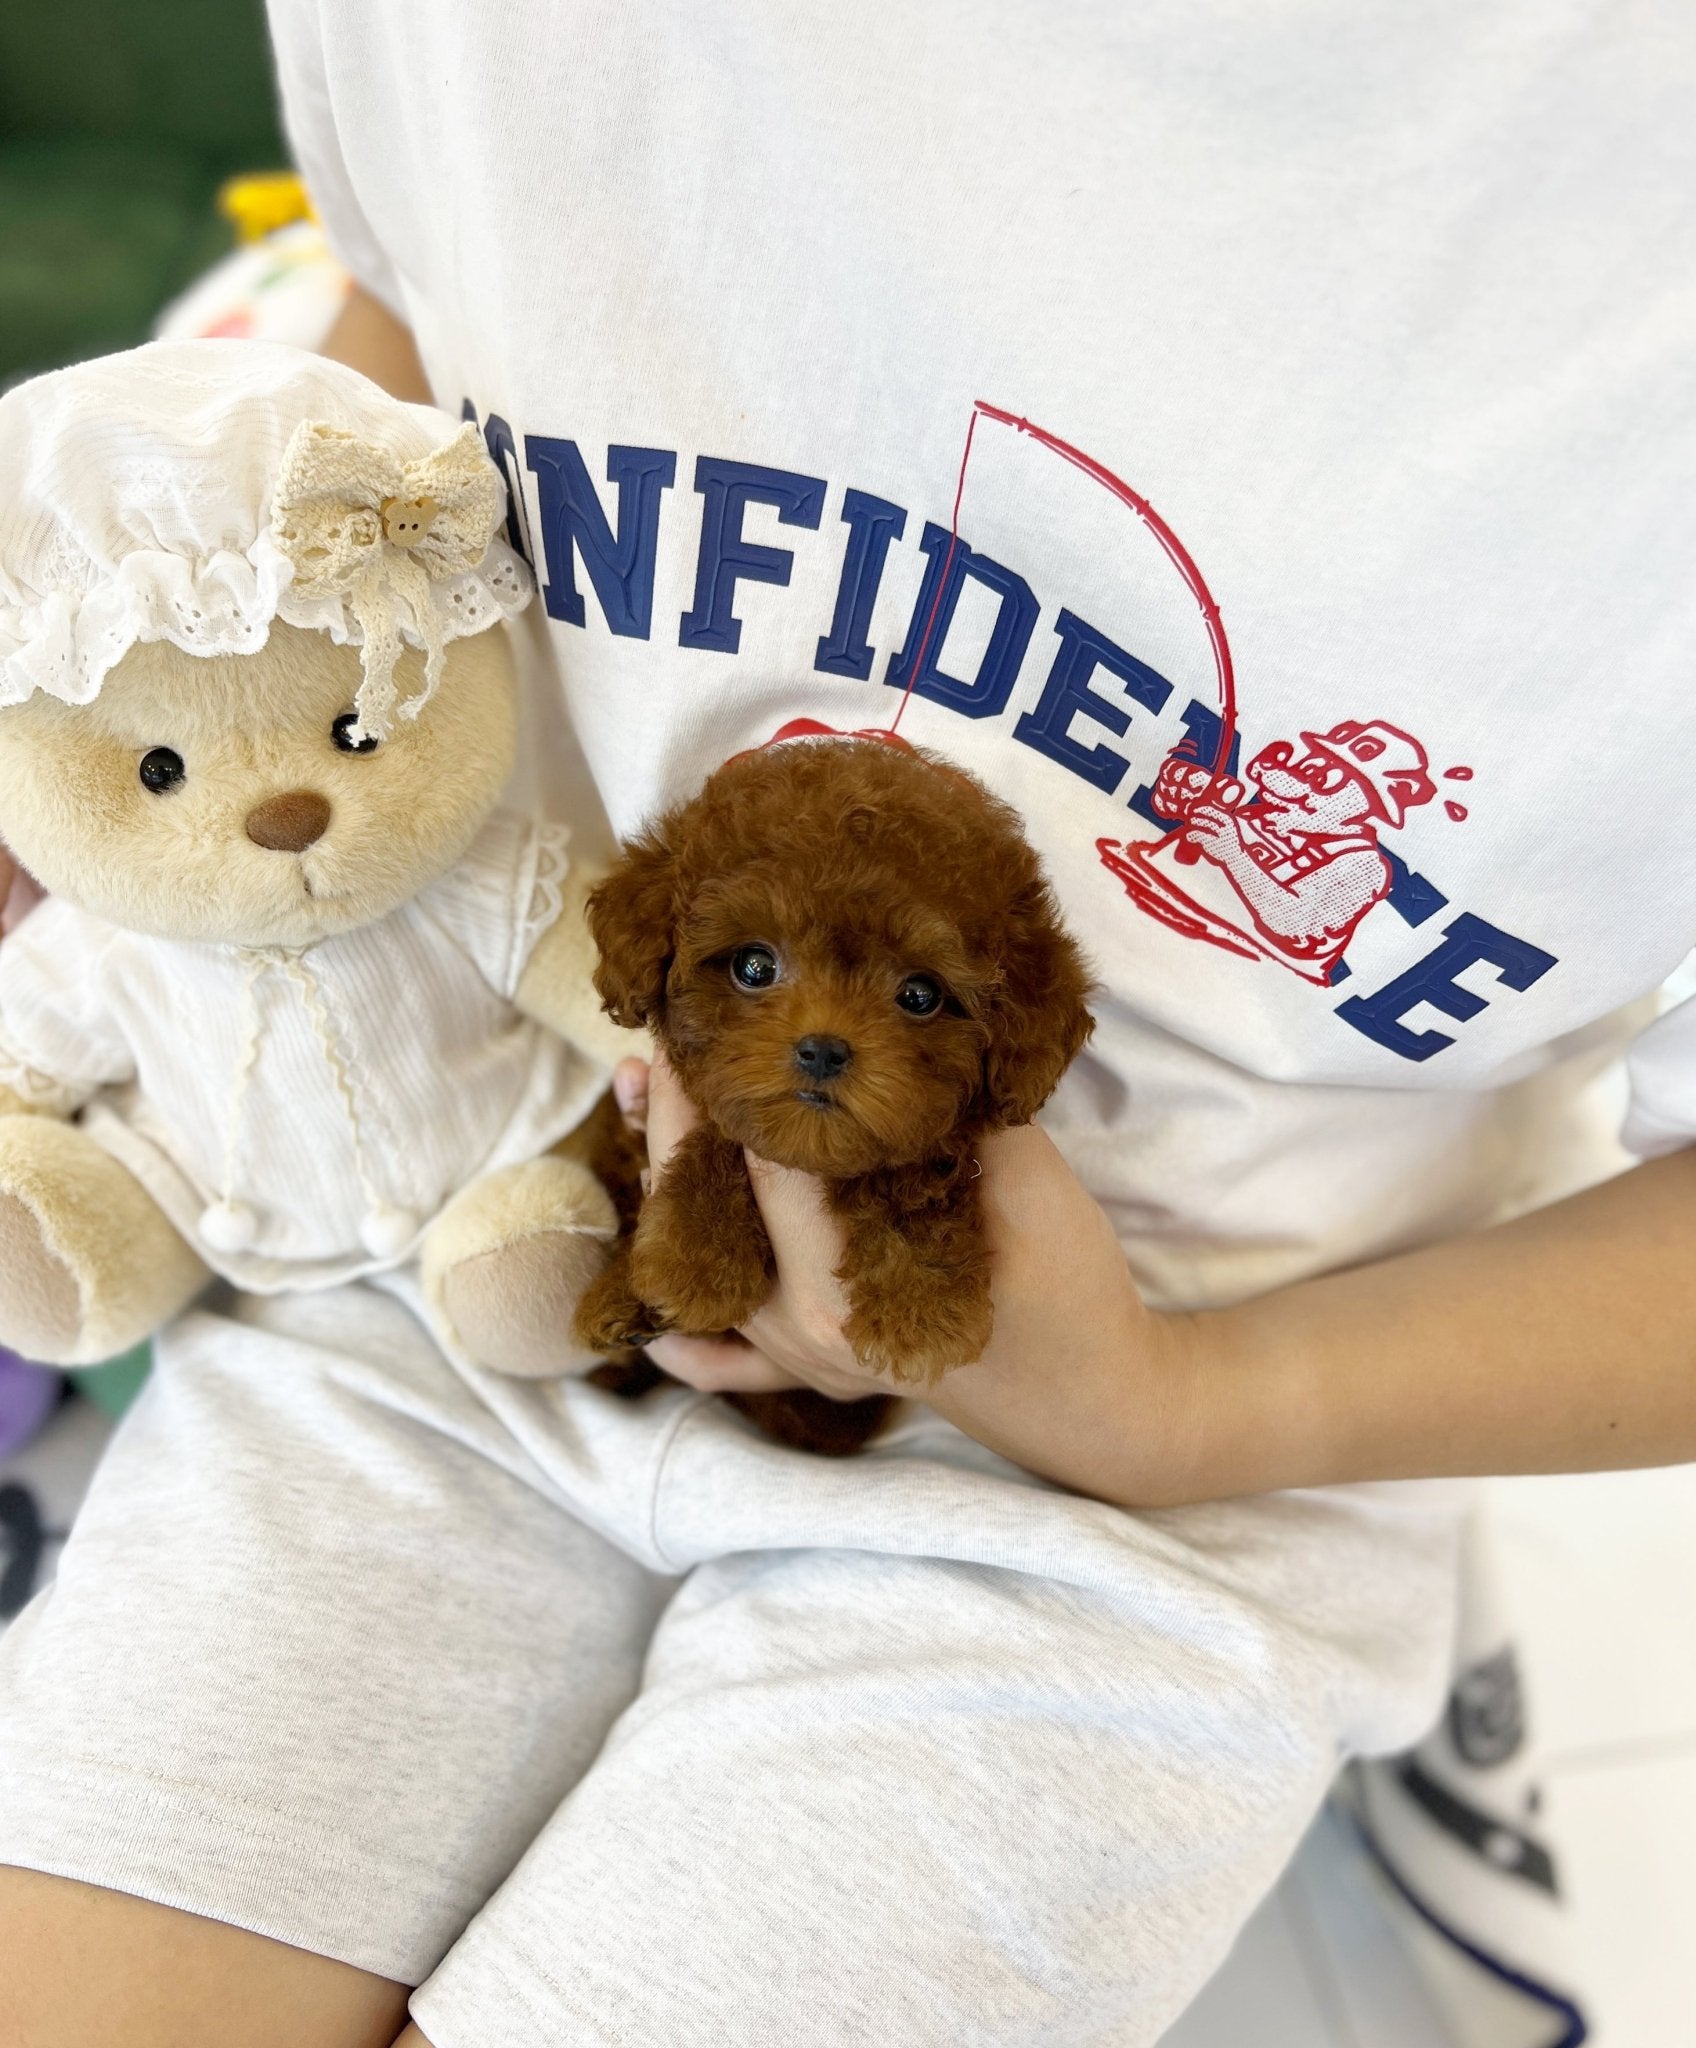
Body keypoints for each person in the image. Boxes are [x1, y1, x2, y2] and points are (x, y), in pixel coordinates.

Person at [2, 7, 1694, 2044]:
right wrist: (133, 757)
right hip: (474, 1224)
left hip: (1161, 1467)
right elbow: (409, 333)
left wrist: (1186, 1408)